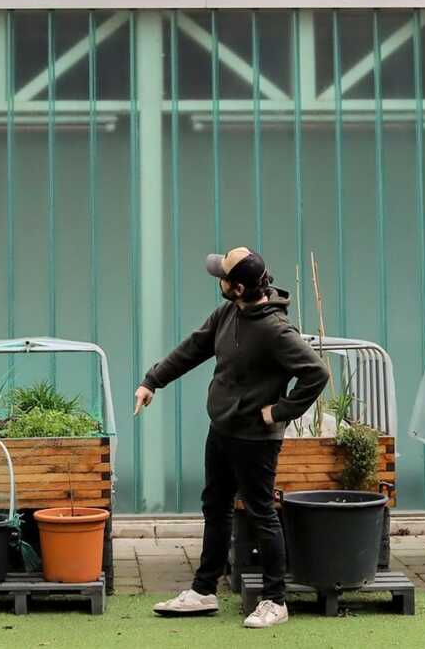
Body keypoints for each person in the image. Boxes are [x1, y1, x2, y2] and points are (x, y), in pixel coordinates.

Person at [134, 247, 329, 628]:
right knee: (216, 506)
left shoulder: (275, 330)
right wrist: (151, 381)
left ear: (237, 287)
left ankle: (275, 600)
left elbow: (316, 374)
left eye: (221, 277)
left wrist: (279, 411)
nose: (217, 281)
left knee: (261, 514)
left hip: (256, 439)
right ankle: (204, 591)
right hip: (222, 429)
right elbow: (193, 348)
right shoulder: (228, 313)